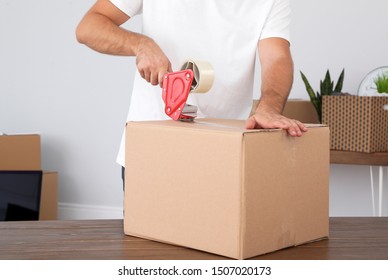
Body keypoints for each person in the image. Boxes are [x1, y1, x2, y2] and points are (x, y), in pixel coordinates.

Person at [76, 0, 307, 171]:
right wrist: (141, 44)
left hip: (224, 155)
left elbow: (277, 57)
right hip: (151, 155)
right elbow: (89, 27)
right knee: (146, 238)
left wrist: (269, 107)